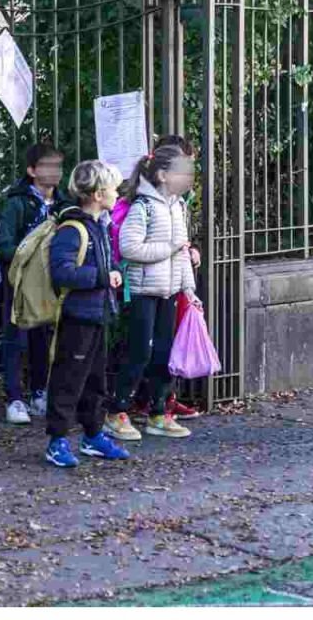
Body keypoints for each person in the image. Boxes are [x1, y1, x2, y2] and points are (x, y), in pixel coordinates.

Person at [105, 144, 200, 440]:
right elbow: (130, 248)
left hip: (169, 290)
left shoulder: (178, 206)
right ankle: (116, 410)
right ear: (161, 175)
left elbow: (182, 253)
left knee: (164, 352)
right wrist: (168, 249)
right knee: (139, 351)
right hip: (144, 290)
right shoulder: (142, 207)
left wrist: (189, 290)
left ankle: (158, 412)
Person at [45, 160, 129, 467]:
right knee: (68, 380)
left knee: (95, 380)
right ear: (96, 193)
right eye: (113, 188)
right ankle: (57, 440)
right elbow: (62, 272)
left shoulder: (100, 225)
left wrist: (112, 272)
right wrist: (102, 277)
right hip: (77, 316)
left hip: (98, 313)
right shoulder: (73, 228)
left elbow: (103, 264)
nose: (117, 193)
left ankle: (93, 435)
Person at [0, 143, 71, 425]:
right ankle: (14, 397)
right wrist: (28, 260)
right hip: (22, 281)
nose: (55, 172)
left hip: (50, 282)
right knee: (16, 337)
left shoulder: (64, 204)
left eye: (58, 167)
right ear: (31, 170)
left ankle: (39, 392)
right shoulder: (17, 203)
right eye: (48, 166)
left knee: (43, 337)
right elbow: (4, 244)